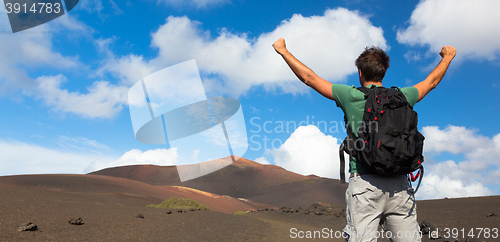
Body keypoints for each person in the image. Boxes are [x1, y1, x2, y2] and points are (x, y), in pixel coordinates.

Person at [273, 38, 456, 242]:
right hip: (400, 186)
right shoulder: (404, 96)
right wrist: (447, 56)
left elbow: (309, 78)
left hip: (365, 183)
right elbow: (431, 82)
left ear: (360, 72)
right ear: (383, 72)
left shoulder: (350, 95)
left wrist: (283, 51)